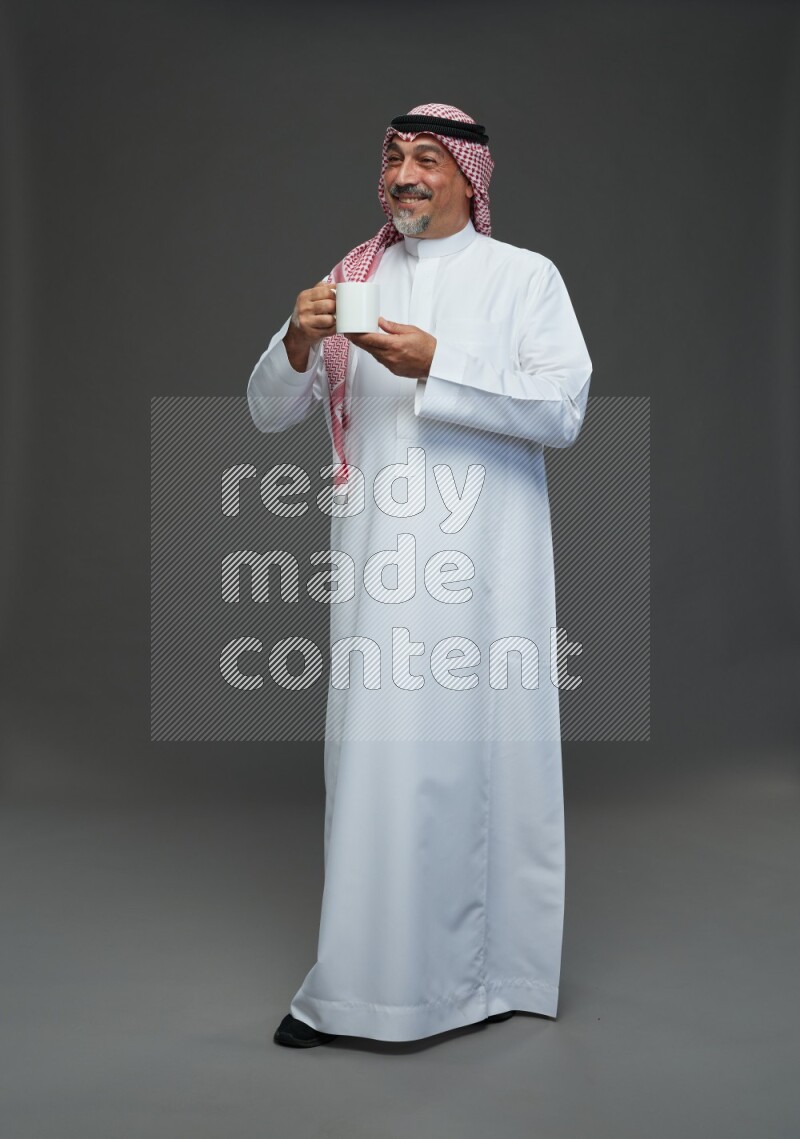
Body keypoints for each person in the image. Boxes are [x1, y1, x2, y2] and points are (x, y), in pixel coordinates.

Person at [246, 102, 593, 1048]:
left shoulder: (524, 278)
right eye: (394, 156)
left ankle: (495, 973)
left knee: (478, 759)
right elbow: (268, 411)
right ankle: (361, 988)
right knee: (378, 763)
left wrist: (441, 363)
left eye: (428, 159)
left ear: (468, 179)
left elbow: (563, 409)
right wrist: (296, 339)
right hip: (375, 566)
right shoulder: (349, 276)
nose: (404, 173)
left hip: (489, 562)